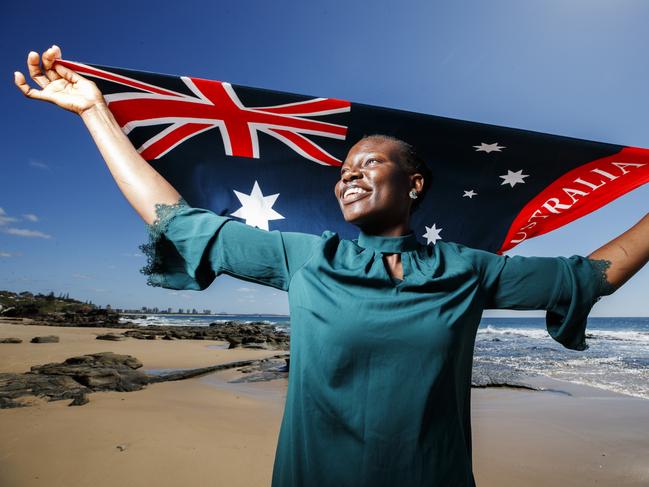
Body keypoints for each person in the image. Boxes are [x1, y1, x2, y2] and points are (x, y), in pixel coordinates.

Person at [15, 45, 649, 487]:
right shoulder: (305, 258)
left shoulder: (466, 270)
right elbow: (173, 218)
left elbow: (591, 274)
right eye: (345, 170)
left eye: (368, 165)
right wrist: (95, 113)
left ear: (415, 184)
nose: (350, 176)